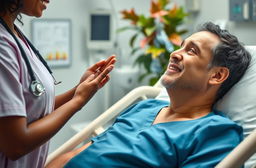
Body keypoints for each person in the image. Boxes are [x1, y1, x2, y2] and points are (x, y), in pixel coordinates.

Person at [46, 22, 251, 168]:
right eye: (181, 46)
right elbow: (80, 155)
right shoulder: (144, 107)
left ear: (217, 75)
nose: (175, 54)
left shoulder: (215, 133)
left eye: (192, 51)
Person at [0, 0, 116, 168]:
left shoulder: (15, 36)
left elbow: (31, 107)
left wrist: (80, 89)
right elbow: (16, 143)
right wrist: (78, 103)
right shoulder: (2, 47)